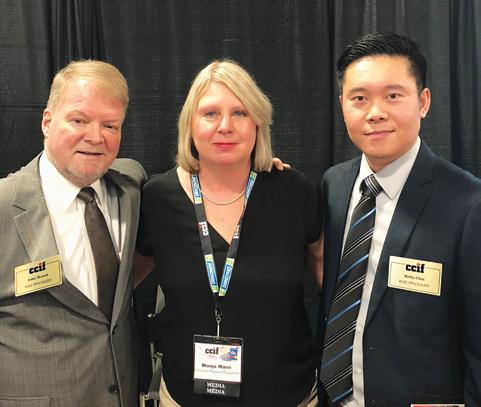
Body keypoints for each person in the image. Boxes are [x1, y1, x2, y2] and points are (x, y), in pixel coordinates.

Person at [135, 59, 323, 406]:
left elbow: (330, 283)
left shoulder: (296, 193)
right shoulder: (156, 199)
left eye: (239, 113)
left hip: (287, 396)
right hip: (184, 398)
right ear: (190, 124)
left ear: (257, 122)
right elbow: (121, 286)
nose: (225, 126)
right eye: (210, 113)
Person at [318, 32, 481, 406]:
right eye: (359, 98)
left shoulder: (469, 204)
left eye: (393, 96)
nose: (375, 112)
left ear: (423, 102)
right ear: (342, 104)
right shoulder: (333, 184)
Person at [0, 60, 147, 406]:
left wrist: (261, 169)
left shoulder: (131, 187)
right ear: (47, 121)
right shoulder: (4, 207)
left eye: (110, 125)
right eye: (79, 120)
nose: (95, 137)